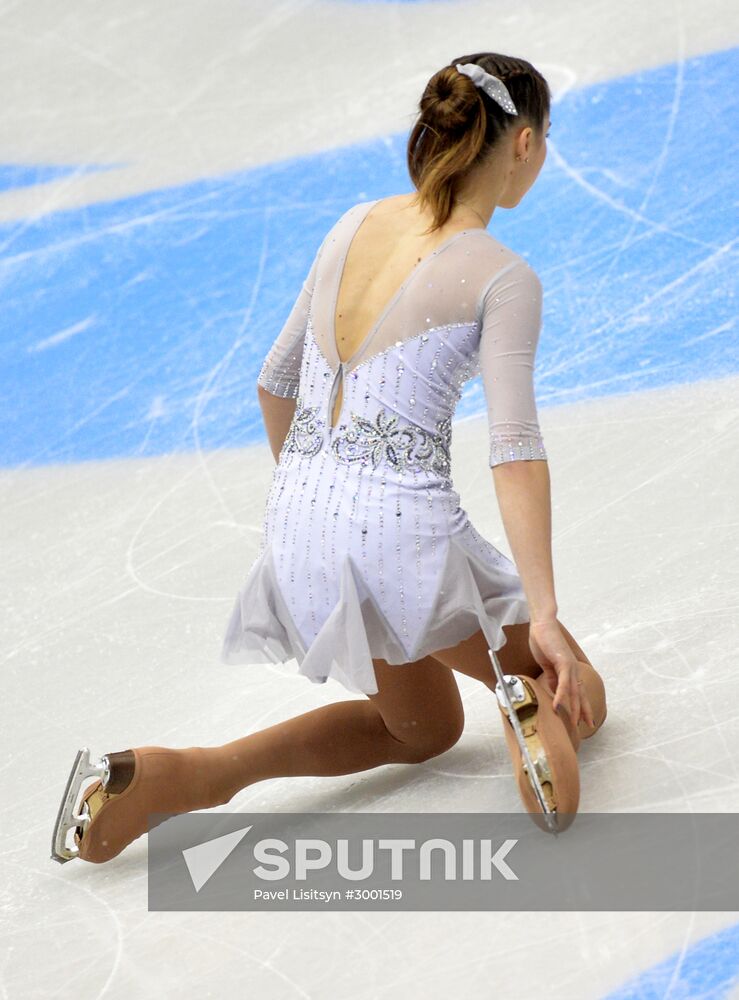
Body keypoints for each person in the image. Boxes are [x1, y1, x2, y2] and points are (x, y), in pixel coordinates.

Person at [51, 51, 607, 865]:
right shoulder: (502, 275)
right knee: (579, 690)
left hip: (298, 525)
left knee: (420, 728)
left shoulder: (351, 224)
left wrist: (316, 503)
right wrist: (546, 615)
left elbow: (275, 384)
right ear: (521, 144)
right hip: (397, 534)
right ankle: (524, 705)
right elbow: (514, 449)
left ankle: (189, 778)